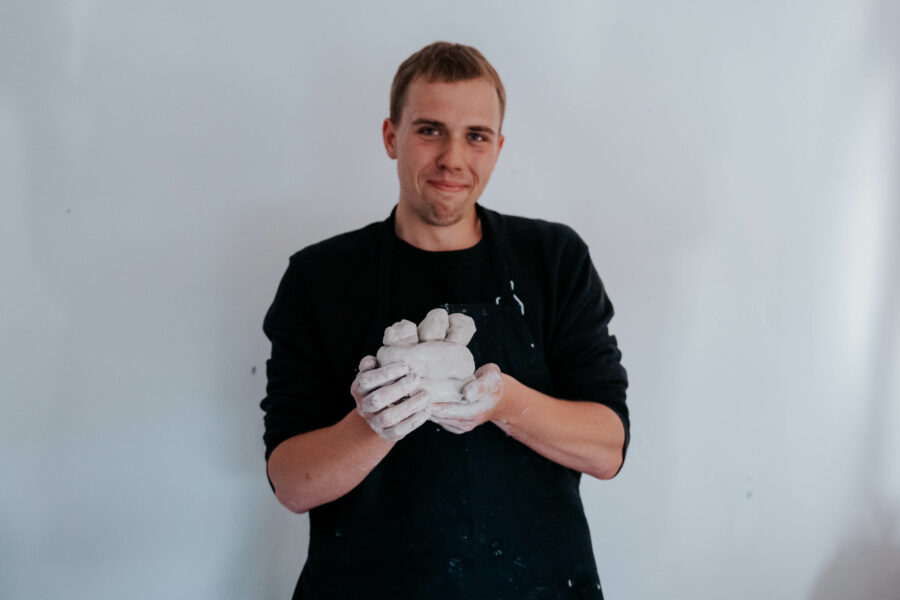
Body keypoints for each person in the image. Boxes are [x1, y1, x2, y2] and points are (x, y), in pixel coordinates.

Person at [260, 41, 629, 599]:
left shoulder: (553, 259)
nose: (453, 157)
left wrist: (502, 403)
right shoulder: (321, 276)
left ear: (498, 147)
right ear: (392, 136)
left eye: (475, 136)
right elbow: (291, 483)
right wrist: (377, 421)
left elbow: (607, 448)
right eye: (430, 130)